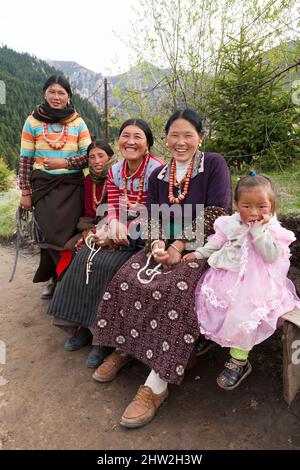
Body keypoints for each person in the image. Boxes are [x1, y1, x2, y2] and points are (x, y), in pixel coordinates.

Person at [92, 108, 232, 429]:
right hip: (164, 245)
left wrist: (178, 246)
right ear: (166, 138)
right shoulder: (159, 175)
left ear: (200, 137)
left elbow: (217, 211)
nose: (181, 142)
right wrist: (156, 243)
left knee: (177, 288)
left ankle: (156, 385)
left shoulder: (213, 164)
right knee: (128, 277)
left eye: (188, 135)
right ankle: (124, 347)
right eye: (174, 135)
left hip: (204, 246)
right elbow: (152, 216)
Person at [48, 119, 164, 368]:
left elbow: (156, 211)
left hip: (146, 230)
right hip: (116, 225)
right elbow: (111, 206)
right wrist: (112, 225)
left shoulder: (158, 170)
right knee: (83, 255)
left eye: (137, 137)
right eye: (125, 135)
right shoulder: (115, 170)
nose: (130, 141)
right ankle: (81, 325)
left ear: (147, 144)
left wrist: (124, 229)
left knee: (108, 267)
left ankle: (103, 337)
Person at [183, 173, 300, 390]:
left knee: (242, 314)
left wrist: (257, 232)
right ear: (237, 205)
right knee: (208, 299)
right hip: (227, 276)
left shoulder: (273, 230)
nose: (254, 212)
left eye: (262, 206)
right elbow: (216, 243)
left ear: (272, 207)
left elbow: (271, 256)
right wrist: (198, 254)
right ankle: (214, 336)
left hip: (258, 284)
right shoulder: (230, 223)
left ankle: (239, 360)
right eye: (247, 206)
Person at [18, 74, 91, 299]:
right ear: (44, 93)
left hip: (72, 188)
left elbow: (89, 157)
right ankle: (54, 279)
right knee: (48, 237)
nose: (56, 97)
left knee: (70, 238)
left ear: (69, 96)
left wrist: (65, 163)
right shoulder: (33, 122)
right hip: (43, 190)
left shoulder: (77, 122)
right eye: (52, 92)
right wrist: (25, 192)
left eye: (61, 93)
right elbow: (25, 159)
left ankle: (63, 282)